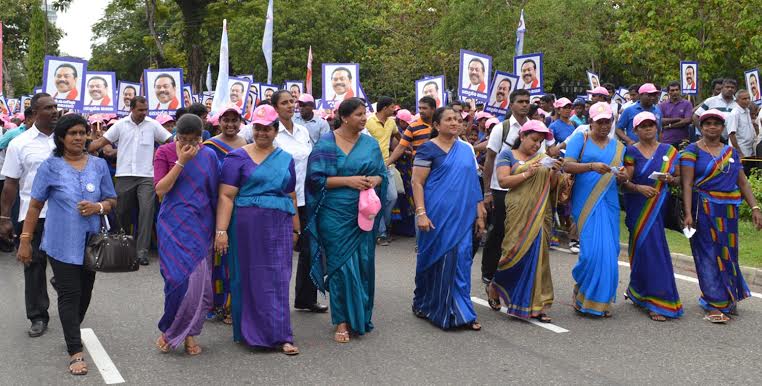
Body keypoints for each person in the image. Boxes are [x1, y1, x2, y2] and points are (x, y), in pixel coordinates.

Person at [18, 113, 116, 375]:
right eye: (73, 133)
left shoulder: (98, 165)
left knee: (85, 294)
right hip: (60, 243)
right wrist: (25, 241)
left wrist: (98, 207)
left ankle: (71, 325)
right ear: (61, 138)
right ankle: (75, 350)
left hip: (91, 244)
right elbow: (35, 205)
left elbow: (111, 200)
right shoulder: (50, 167)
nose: (79, 137)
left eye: (82, 133)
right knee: (70, 296)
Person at [215, 104, 300, 355]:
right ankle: (252, 333)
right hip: (247, 225)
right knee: (250, 277)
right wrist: (221, 231)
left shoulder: (286, 159)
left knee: (279, 278)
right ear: (253, 129)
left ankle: (281, 335)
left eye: (268, 129)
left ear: (276, 130)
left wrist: (297, 229)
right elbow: (226, 196)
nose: (263, 133)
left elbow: (290, 193)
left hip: (280, 226)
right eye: (259, 128)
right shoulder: (237, 158)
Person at [306, 97, 387, 343]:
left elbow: (381, 173)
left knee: (363, 263)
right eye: (359, 114)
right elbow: (315, 180)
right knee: (340, 266)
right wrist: (347, 181)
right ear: (344, 117)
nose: (364, 118)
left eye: (365, 113)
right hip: (334, 212)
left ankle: (360, 315)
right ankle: (341, 320)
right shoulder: (326, 144)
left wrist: (375, 180)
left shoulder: (370, 144)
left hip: (363, 213)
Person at [681, 109, 762, 323]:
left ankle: (726, 297)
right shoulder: (692, 151)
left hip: (728, 211)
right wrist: (688, 213)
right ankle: (714, 303)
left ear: (722, 127)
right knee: (708, 254)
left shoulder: (731, 152)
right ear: (701, 126)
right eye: (707, 123)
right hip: (704, 208)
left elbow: (742, 182)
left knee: (728, 254)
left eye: (716, 123)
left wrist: (754, 208)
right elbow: (687, 183)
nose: (712, 127)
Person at [411, 106, 485, 330]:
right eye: (449, 119)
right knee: (434, 259)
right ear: (436, 125)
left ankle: (462, 312)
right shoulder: (427, 149)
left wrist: (479, 214)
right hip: (436, 214)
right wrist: (421, 214)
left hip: (462, 214)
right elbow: (417, 182)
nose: (455, 123)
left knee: (461, 261)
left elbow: (473, 183)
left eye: (457, 119)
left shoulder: (466, 149)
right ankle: (427, 303)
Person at [154, 114, 218, 355]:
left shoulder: (209, 155)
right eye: (183, 139)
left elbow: (214, 192)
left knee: (199, 283)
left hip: (201, 225)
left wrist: (219, 229)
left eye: (195, 140)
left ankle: (190, 334)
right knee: (176, 281)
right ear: (176, 135)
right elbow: (161, 189)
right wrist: (181, 161)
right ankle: (170, 330)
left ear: (202, 137)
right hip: (173, 224)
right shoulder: (165, 153)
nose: (190, 145)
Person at [486, 120, 562, 321]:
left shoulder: (543, 158)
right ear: (522, 136)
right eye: (534, 140)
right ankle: (495, 286)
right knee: (512, 252)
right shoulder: (507, 155)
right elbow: (503, 181)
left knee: (539, 257)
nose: (537, 145)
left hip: (540, 212)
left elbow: (552, 185)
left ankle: (538, 305)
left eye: (540, 142)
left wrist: (554, 171)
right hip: (518, 209)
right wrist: (528, 172)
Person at [88, 96, 173, 265]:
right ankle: (123, 246)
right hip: (124, 174)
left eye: (145, 110)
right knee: (121, 211)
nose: (144, 113)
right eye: (140, 110)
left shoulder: (153, 124)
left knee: (146, 212)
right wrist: (80, 150)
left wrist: (163, 156)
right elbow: (102, 142)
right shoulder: (120, 125)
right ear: (131, 109)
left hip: (147, 176)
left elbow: (170, 141)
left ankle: (142, 252)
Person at [0, 94, 58, 338]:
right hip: (32, 215)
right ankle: (37, 315)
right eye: (49, 108)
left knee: (72, 266)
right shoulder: (19, 143)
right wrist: (4, 217)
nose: (55, 111)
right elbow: (11, 182)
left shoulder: (66, 139)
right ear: (35, 112)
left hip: (65, 215)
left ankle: (69, 303)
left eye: (56, 107)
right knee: (34, 266)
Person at [563, 102, 627, 317]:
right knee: (590, 253)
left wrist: (624, 175)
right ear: (591, 121)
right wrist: (590, 166)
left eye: (607, 121)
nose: (604, 126)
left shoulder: (618, 147)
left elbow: (624, 175)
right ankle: (582, 290)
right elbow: (567, 165)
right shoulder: (579, 139)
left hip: (608, 201)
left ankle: (599, 302)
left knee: (609, 252)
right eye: (599, 122)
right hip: (586, 201)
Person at [266, 90, 326, 313]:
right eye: (285, 102)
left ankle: (305, 298)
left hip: (305, 197)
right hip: (280, 200)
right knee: (279, 251)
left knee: (310, 250)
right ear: (275, 107)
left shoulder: (302, 131)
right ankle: (271, 302)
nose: (291, 106)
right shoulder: (270, 132)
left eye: (293, 102)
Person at [621, 112, 683, 321]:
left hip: (658, 208)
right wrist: (638, 188)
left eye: (651, 125)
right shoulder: (631, 151)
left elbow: (680, 177)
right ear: (635, 130)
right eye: (643, 126)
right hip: (638, 208)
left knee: (656, 251)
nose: (648, 129)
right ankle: (641, 293)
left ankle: (657, 299)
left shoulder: (670, 151)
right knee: (641, 251)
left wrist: (671, 179)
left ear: (657, 127)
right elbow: (625, 182)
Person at [202, 107, 247, 322]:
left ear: (240, 122)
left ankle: (232, 304)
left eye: (234, 120)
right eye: (226, 120)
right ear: (219, 122)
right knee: (216, 255)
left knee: (234, 255)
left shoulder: (247, 145)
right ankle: (213, 303)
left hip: (239, 205)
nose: (230, 124)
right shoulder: (209, 146)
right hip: (213, 205)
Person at [366, 97, 399, 246]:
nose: (394, 110)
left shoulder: (392, 122)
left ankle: (382, 226)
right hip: (371, 167)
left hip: (387, 166)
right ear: (384, 108)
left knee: (392, 197)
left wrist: (407, 148)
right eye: (392, 107)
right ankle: (381, 232)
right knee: (376, 199)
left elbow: (399, 137)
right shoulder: (368, 121)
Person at [659, 81, 693, 148]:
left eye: (677, 90)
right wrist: (678, 119)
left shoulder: (687, 104)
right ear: (668, 92)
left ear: (680, 91)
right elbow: (661, 120)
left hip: (683, 141)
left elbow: (687, 120)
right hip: (667, 141)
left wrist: (670, 126)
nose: (675, 92)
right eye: (672, 90)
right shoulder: (662, 105)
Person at [726, 90, 757, 161]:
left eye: (749, 98)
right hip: (741, 151)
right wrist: (739, 152)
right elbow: (731, 134)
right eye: (744, 99)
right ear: (737, 100)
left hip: (749, 149)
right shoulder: (735, 114)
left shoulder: (747, 110)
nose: (748, 100)